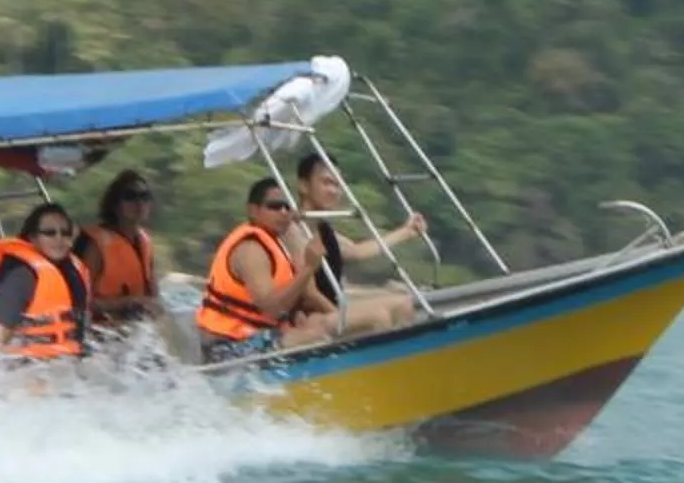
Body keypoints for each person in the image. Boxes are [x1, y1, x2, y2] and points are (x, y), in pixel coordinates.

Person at [194, 177, 341, 361]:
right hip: (228, 347)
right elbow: (272, 309)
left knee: (319, 322)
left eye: (287, 207)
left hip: (256, 337)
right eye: (274, 206)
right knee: (319, 334)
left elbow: (293, 299)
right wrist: (309, 267)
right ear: (253, 210)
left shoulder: (275, 241)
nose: (283, 211)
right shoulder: (250, 249)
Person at [292, 152, 427, 335]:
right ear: (304, 186)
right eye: (327, 183)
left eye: (338, 185)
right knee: (378, 316)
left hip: (332, 306)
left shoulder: (323, 229)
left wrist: (406, 231)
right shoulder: (295, 230)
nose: (334, 191)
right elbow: (309, 294)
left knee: (402, 303)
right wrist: (341, 312)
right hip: (308, 317)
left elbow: (357, 251)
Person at [0, 201, 92, 362]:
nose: (58, 238)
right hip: (30, 368)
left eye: (65, 232)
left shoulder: (73, 270)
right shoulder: (21, 275)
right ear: (33, 238)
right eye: (49, 233)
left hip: (67, 362)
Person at [78, 170, 163, 325]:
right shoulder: (97, 245)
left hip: (135, 331)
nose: (139, 203)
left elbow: (154, 299)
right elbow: (80, 303)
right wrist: (129, 302)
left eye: (145, 196)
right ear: (115, 205)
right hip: (100, 333)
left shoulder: (145, 242)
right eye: (130, 196)